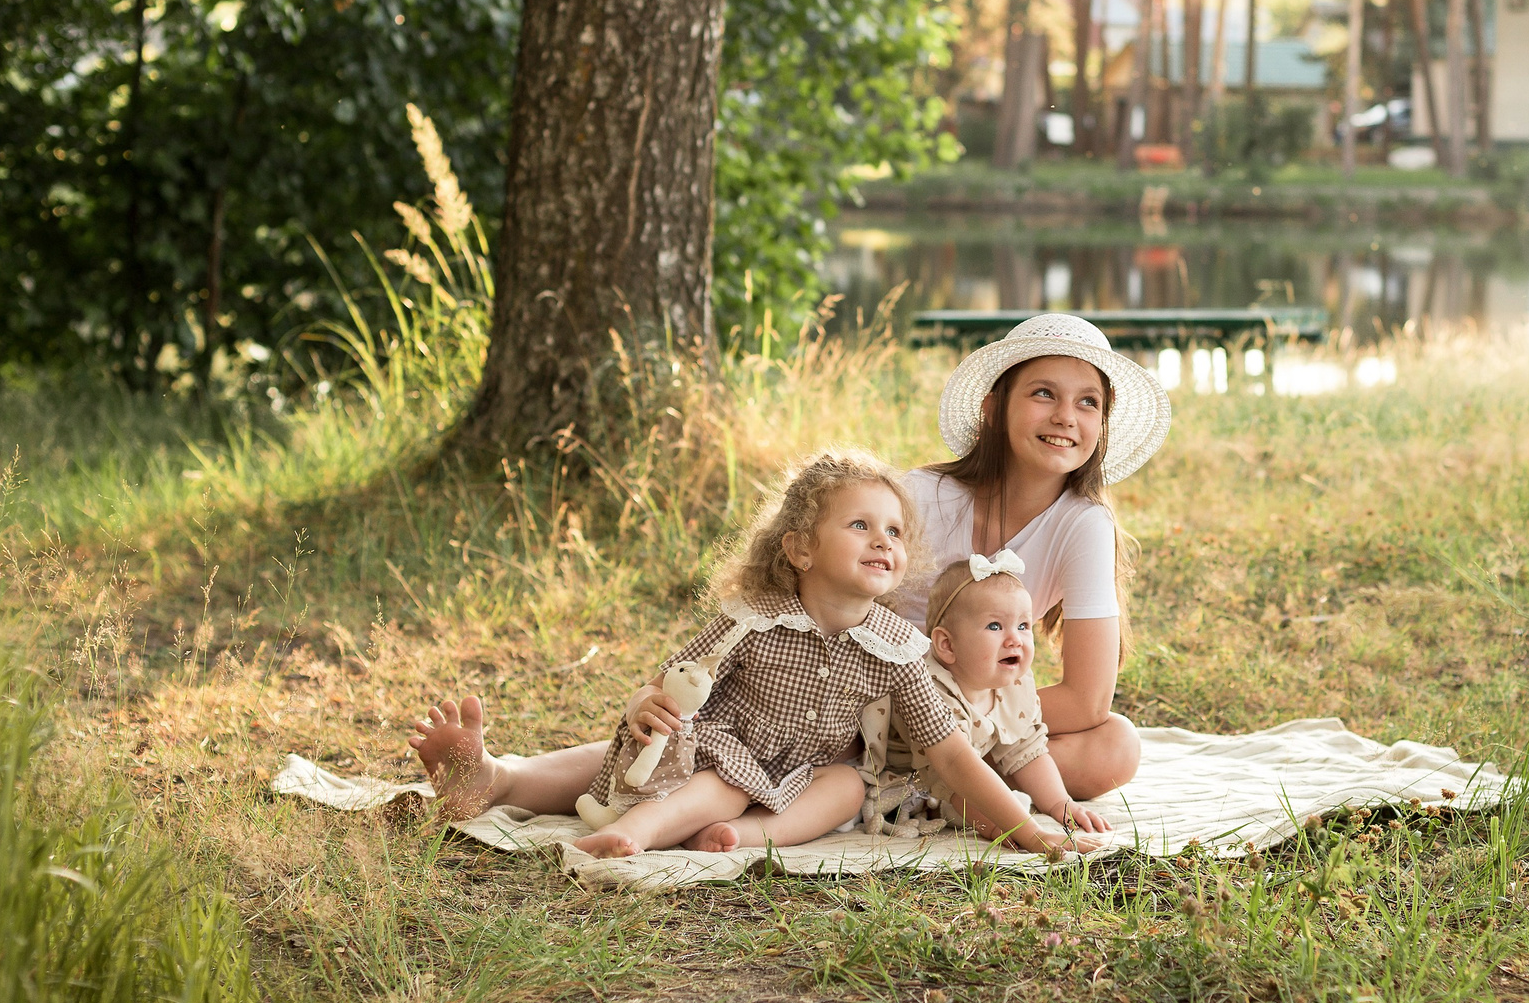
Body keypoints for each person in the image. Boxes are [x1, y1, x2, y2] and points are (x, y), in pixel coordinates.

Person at [408, 451, 1091, 860]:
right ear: (799, 548)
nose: (883, 540)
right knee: (619, 759)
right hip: (719, 744)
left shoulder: (898, 647)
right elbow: (675, 681)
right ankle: (514, 786)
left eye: (893, 530)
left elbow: (951, 755)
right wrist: (645, 704)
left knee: (851, 785)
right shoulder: (756, 619)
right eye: (859, 525)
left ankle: (746, 837)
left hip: (805, 771)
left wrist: (1024, 828)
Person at [897, 313, 1172, 800]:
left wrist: (974, 721)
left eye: (1088, 402)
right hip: (880, 709)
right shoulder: (921, 497)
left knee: (1116, 744)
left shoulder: (1083, 523)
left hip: (975, 717)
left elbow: (1088, 702)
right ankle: (930, 783)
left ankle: (935, 786)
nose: (1066, 416)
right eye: (1043, 393)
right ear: (992, 408)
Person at [865, 553, 1113, 836]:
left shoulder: (1011, 684)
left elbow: (1026, 750)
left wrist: (1061, 804)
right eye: (995, 626)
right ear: (947, 645)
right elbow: (954, 774)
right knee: (967, 803)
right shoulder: (930, 689)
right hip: (917, 774)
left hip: (961, 774)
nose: (1015, 639)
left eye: (1023, 626)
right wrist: (1005, 828)